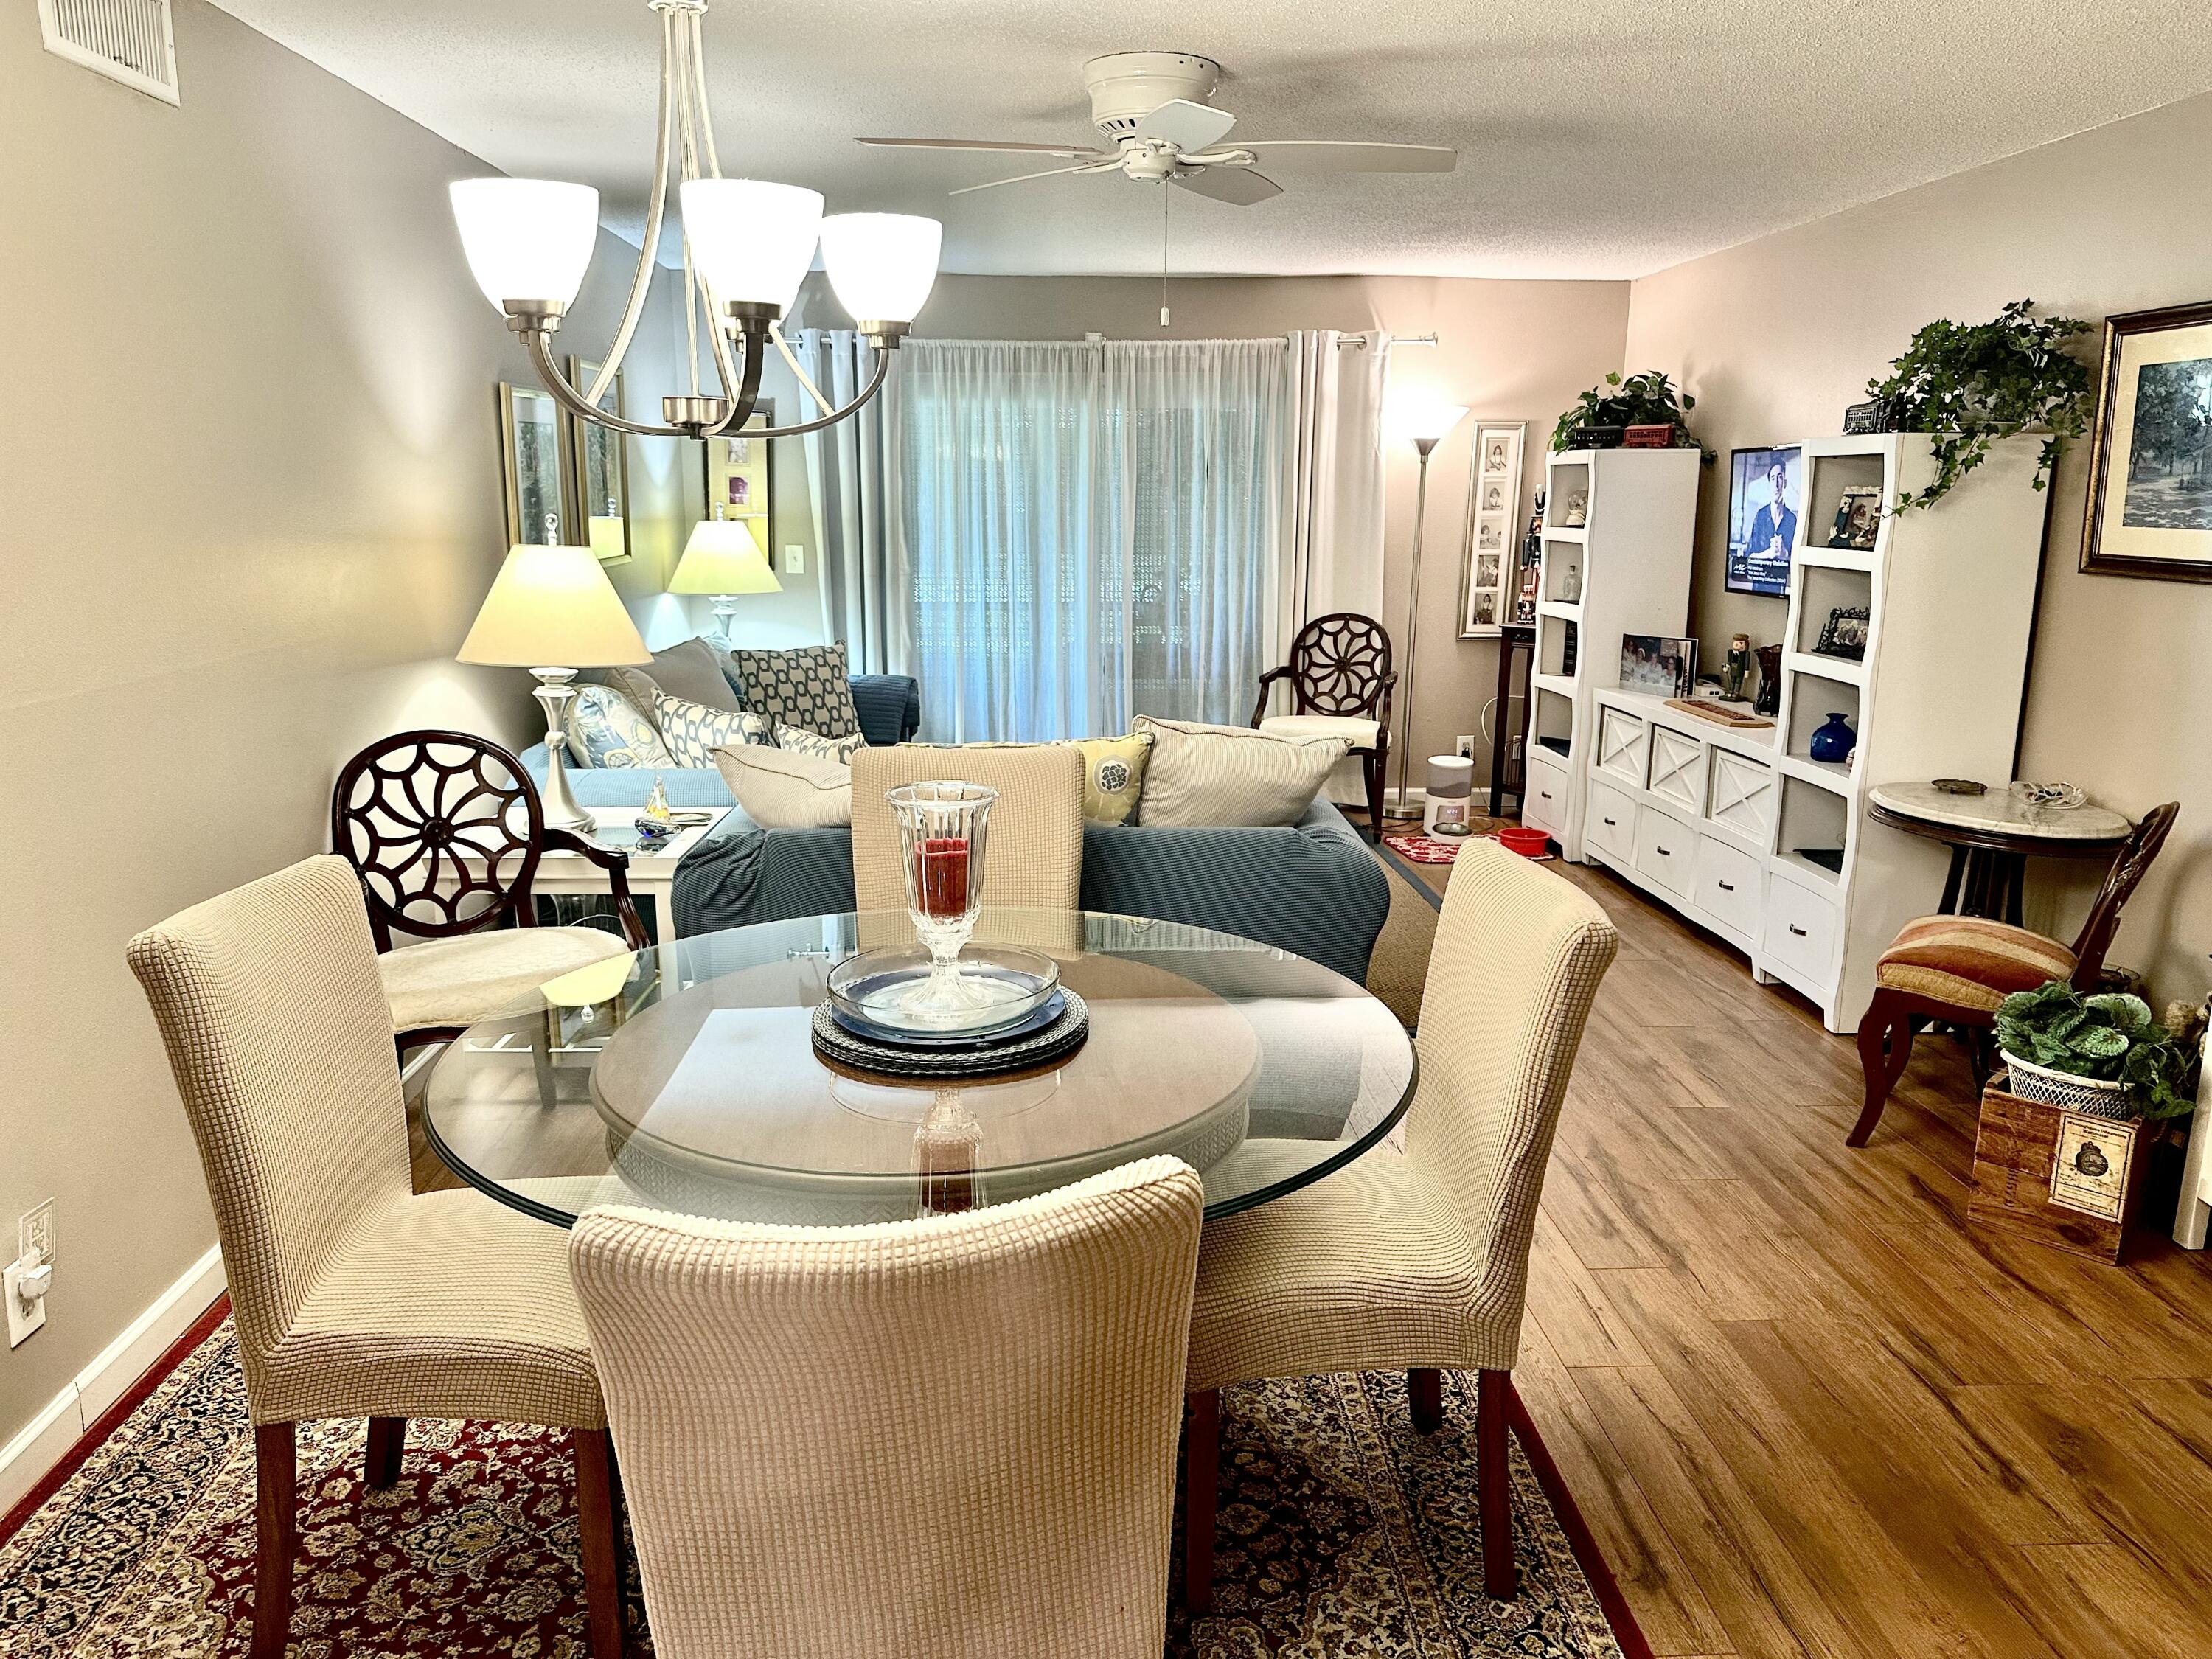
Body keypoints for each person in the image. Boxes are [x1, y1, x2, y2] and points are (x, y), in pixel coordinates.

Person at [1743, 459, 1797, 575]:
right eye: (1773, 478)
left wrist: (1785, 554)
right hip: (1760, 583)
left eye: (1780, 477)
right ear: (1769, 485)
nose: (1776, 485)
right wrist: (1768, 554)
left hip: (1782, 584)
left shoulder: (1792, 520)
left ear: (1785, 483)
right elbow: (1748, 560)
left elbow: (1798, 567)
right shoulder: (1760, 516)